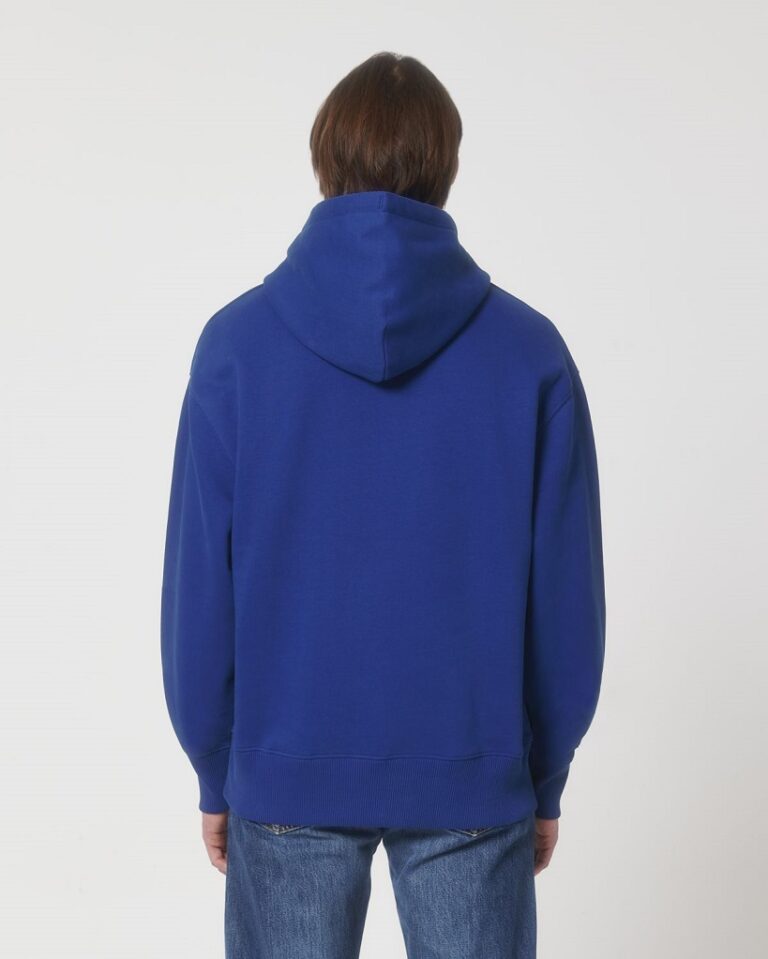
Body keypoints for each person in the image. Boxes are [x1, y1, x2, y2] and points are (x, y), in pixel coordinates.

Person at [161, 51, 606, 959]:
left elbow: (199, 589)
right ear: (446, 165)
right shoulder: (529, 353)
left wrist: (217, 764)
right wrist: (542, 774)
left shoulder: (236, 347)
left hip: (286, 775)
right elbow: (568, 602)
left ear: (325, 159)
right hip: (472, 776)